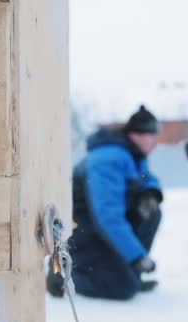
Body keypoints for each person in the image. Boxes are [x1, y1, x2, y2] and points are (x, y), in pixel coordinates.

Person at [47, 105, 163, 300]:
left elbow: (147, 177)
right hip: (84, 230)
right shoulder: (109, 159)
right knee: (123, 290)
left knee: (152, 213)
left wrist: (150, 193)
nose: (156, 143)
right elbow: (108, 216)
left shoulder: (132, 154)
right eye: (153, 136)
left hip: (99, 226)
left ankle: (130, 274)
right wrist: (136, 256)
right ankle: (61, 275)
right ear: (136, 135)